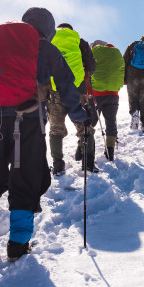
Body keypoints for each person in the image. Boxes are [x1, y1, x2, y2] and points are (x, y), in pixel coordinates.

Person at [0, 8, 87, 261]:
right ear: (49, 29)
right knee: (26, 181)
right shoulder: (45, 47)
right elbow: (66, 85)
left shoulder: (3, 43)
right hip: (29, 121)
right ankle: (18, 247)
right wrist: (80, 118)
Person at [48, 23, 99, 174]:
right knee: (84, 127)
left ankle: (58, 165)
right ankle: (88, 163)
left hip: (54, 90)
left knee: (55, 129)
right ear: (71, 30)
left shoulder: (50, 39)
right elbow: (92, 65)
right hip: (77, 89)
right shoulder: (80, 41)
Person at [89, 40, 125, 160]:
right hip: (113, 94)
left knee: (90, 122)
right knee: (111, 122)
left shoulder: (94, 52)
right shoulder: (116, 53)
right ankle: (110, 150)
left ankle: (83, 148)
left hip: (95, 94)